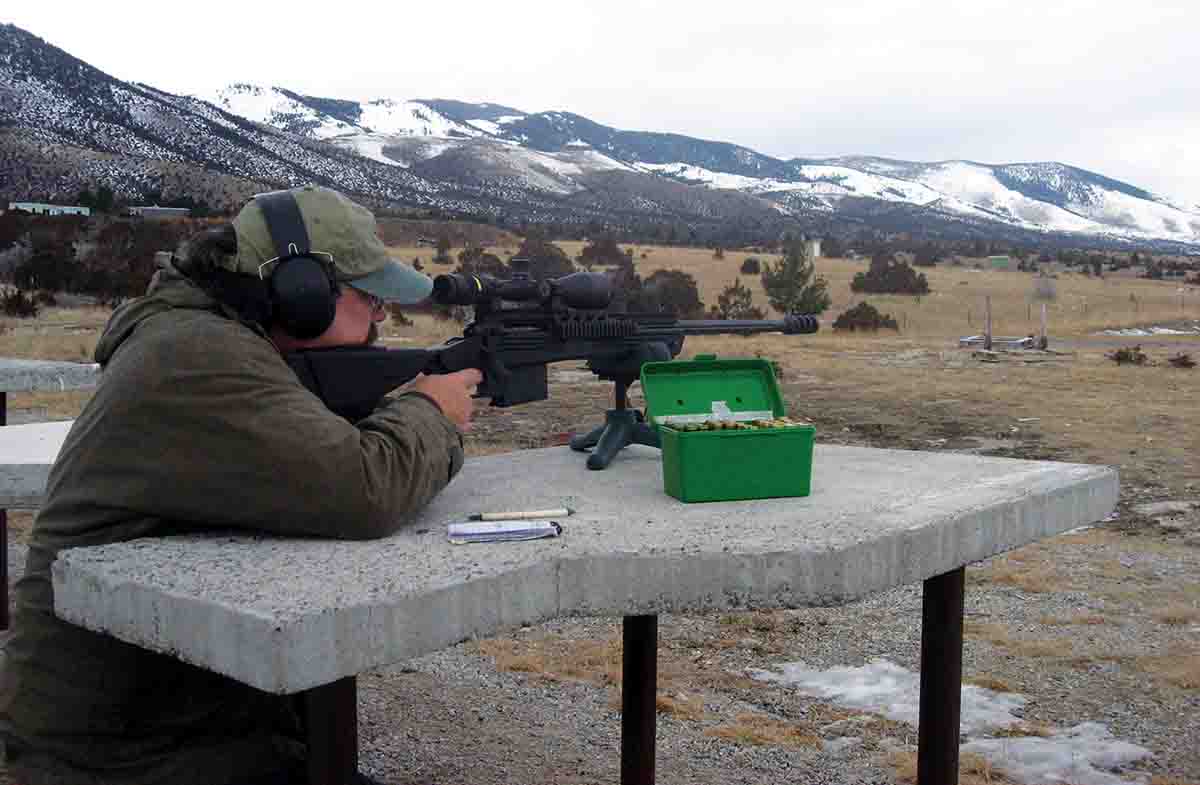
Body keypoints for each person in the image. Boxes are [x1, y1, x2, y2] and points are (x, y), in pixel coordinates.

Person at [0, 185, 481, 785]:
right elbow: (366, 489)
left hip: (178, 716)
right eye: (370, 298)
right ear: (301, 292)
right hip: (121, 755)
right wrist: (432, 412)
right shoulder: (197, 353)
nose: (381, 317)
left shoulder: (206, 336)